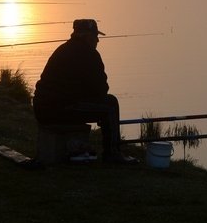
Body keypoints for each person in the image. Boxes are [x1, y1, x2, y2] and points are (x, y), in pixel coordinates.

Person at [32, 19, 138, 164]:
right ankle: (112, 153)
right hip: (59, 109)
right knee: (111, 104)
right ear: (86, 36)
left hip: (42, 110)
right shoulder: (90, 54)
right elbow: (102, 90)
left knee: (93, 103)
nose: (97, 40)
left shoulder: (62, 49)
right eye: (95, 36)